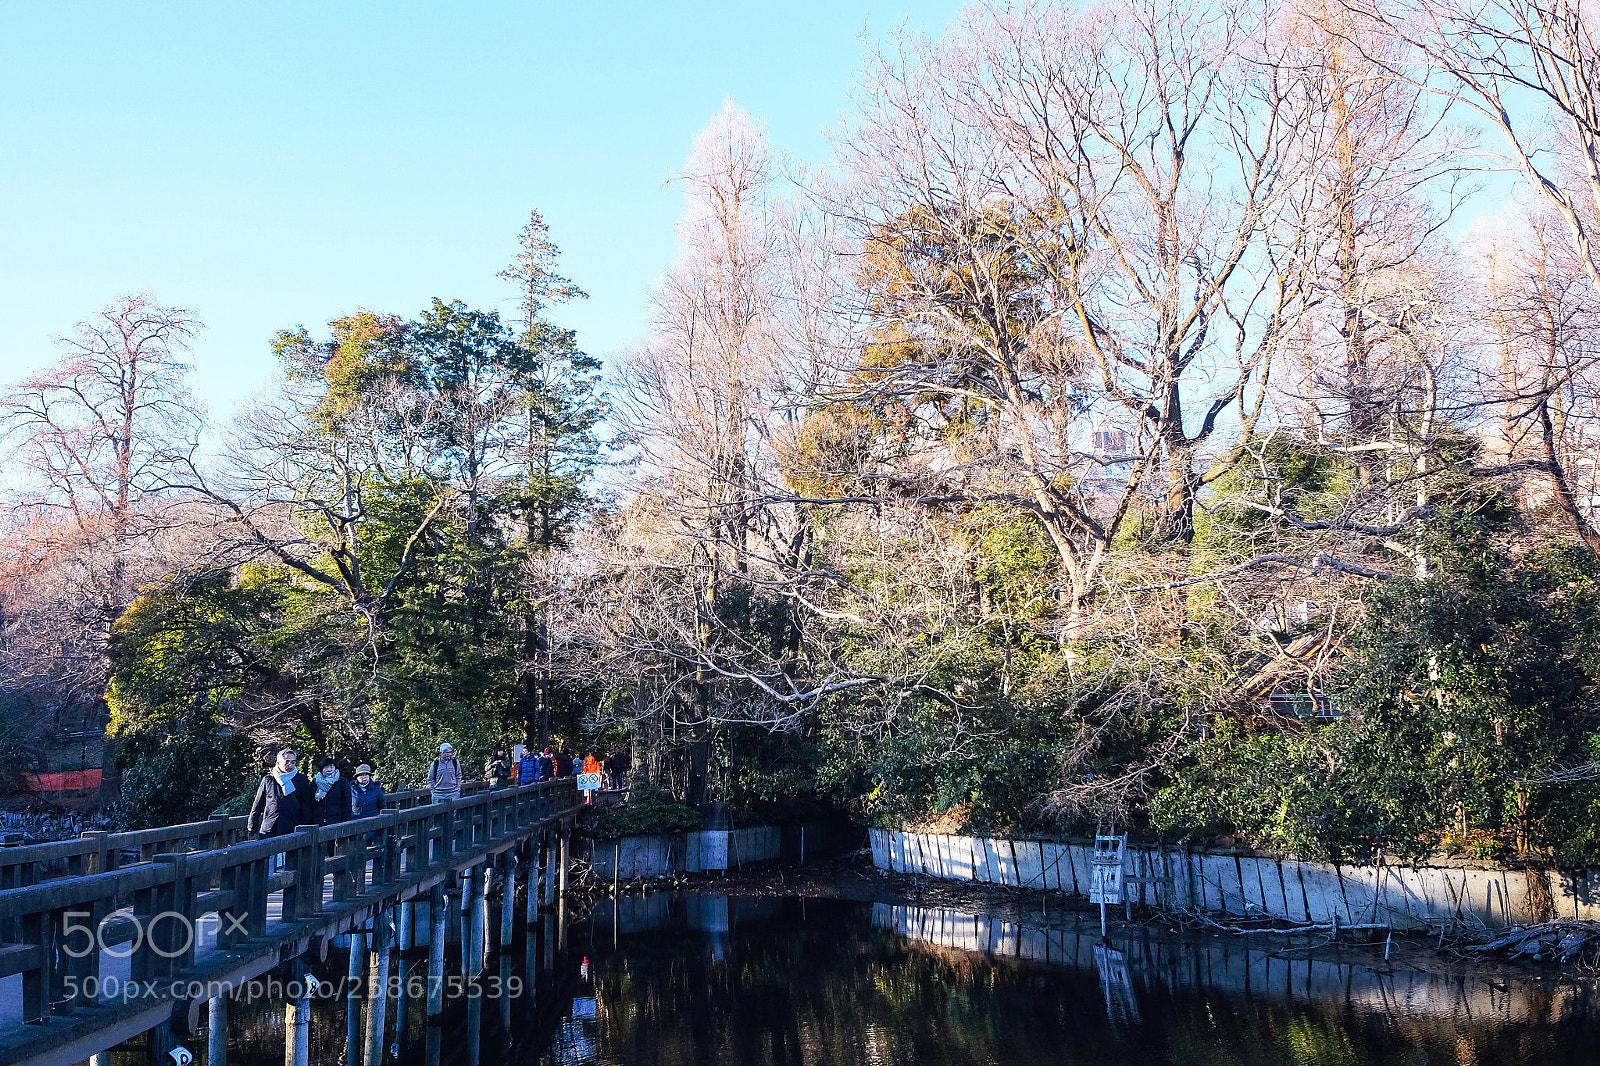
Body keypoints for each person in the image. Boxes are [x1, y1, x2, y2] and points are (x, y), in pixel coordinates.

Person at [248, 748, 313, 838]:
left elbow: (306, 805)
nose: (290, 765)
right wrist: (252, 826)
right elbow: (258, 804)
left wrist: (305, 825)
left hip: (293, 827)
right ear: (278, 763)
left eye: (293, 762)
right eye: (287, 762)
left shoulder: (301, 780)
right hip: (270, 827)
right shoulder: (268, 779)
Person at [313, 757, 353, 826]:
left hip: (337, 822)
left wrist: (345, 822)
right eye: (326, 767)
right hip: (318, 823)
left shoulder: (342, 782)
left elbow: (347, 804)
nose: (329, 769)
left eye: (331, 767)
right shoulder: (315, 783)